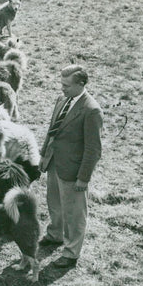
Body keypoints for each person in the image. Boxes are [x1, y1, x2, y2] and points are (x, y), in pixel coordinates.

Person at [39, 64, 103, 268]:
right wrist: (43, 155)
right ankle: (55, 234)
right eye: (61, 83)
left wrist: (83, 178)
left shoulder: (91, 110)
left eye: (66, 85)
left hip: (73, 171)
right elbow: (52, 130)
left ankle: (71, 251)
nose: (62, 88)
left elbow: (93, 150)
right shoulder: (61, 100)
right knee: (55, 203)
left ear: (81, 84)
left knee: (74, 213)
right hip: (54, 163)